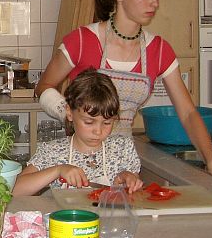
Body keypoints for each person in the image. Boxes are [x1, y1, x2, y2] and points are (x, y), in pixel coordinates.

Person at [36, 0, 212, 178]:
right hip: (77, 156)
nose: (154, 3)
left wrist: (210, 162)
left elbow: (188, 113)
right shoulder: (82, 41)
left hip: (122, 162)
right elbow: (44, 85)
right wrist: (65, 113)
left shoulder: (159, 50)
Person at [13, 68, 143, 196]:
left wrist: (126, 179)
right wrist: (58, 170)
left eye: (107, 123)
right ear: (69, 112)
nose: (98, 131)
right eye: (89, 122)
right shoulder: (53, 151)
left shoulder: (122, 149)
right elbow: (16, 190)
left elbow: (133, 196)